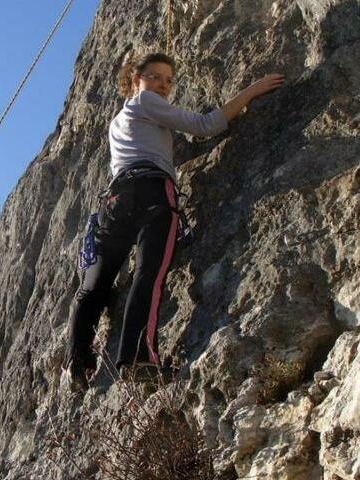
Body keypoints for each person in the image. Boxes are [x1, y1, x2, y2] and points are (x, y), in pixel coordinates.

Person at [62, 51, 284, 390]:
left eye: (168, 80)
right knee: (149, 275)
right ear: (136, 80)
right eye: (154, 77)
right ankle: (138, 359)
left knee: (94, 285)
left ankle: (76, 363)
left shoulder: (118, 121)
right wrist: (251, 90)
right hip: (151, 192)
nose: (162, 85)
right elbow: (204, 126)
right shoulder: (144, 102)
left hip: (114, 201)